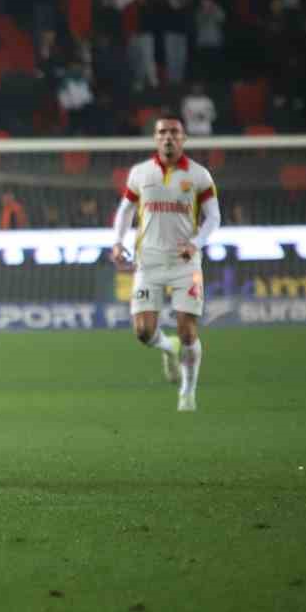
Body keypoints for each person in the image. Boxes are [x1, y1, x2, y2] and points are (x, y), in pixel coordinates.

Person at [110, 114, 220, 412]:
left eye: (174, 132)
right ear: (156, 138)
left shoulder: (199, 175)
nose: (168, 137)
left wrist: (195, 243)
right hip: (149, 262)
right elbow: (125, 210)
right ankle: (166, 346)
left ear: (183, 138)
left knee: (187, 331)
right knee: (144, 332)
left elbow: (214, 217)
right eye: (162, 133)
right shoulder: (140, 173)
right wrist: (117, 242)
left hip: (186, 263)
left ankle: (187, 392)